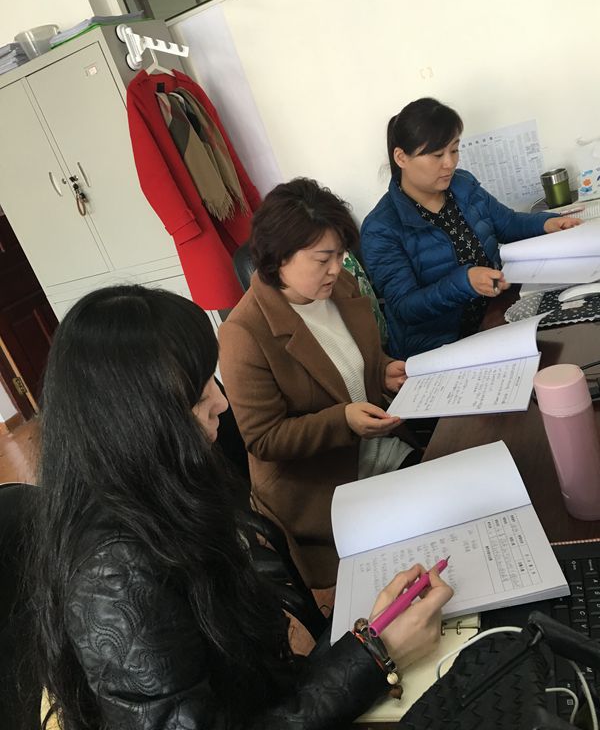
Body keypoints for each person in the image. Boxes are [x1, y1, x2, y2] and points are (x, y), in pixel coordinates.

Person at [28, 284, 453, 730]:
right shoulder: (114, 573)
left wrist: (369, 640)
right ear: (133, 419)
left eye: (210, 380)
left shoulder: (166, 485)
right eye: (197, 395)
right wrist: (376, 655)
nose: (221, 402)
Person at [219, 178, 420, 588]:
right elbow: (264, 438)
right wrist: (342, 420)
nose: (337, 268)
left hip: (381, 448)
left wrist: (381, 370)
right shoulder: (245, 333)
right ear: (279, 258)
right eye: (323, 258)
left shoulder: (338, 286)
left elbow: (354, 358)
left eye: (341, 254)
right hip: (321, 486)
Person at [360, 97, 581, 360]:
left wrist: (546, 223)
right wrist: (465, 282)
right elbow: (406, 307)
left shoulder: (462, 184)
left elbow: (507, 223)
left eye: (454, 150)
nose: (450, 163)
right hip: (439, 347)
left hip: (496, 314)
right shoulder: (380, 228)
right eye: (437, 155)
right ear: (401, 158)